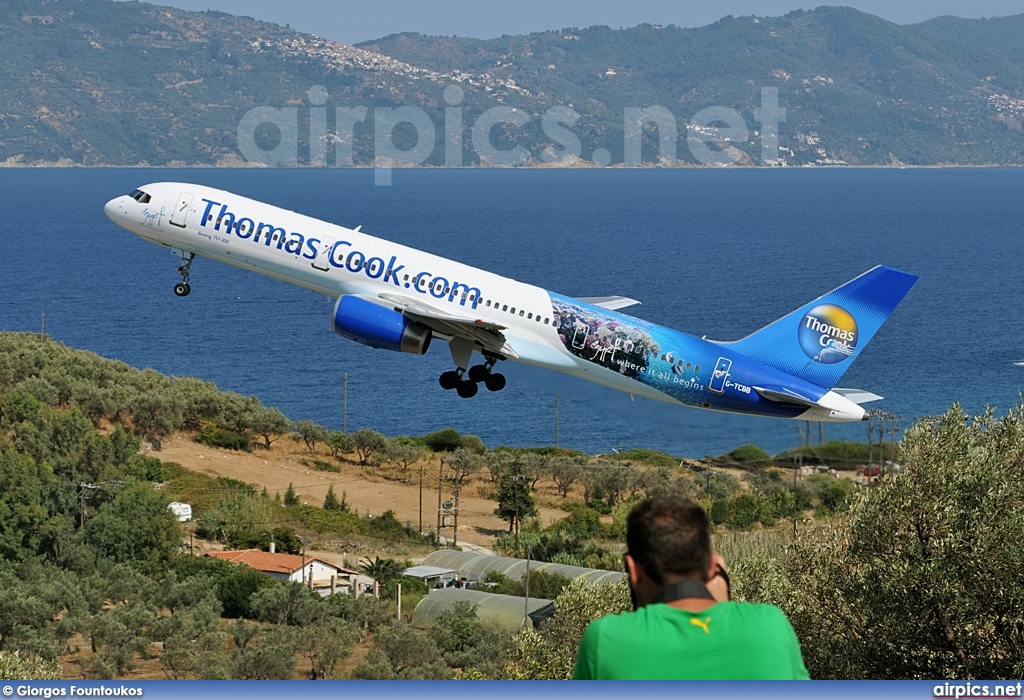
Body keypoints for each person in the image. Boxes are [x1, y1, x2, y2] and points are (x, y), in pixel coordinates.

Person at [573, 496, 809, 680]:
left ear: (633, 570)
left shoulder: (607, 639)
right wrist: (724, 606)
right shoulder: (769, 626)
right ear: (712, 566)